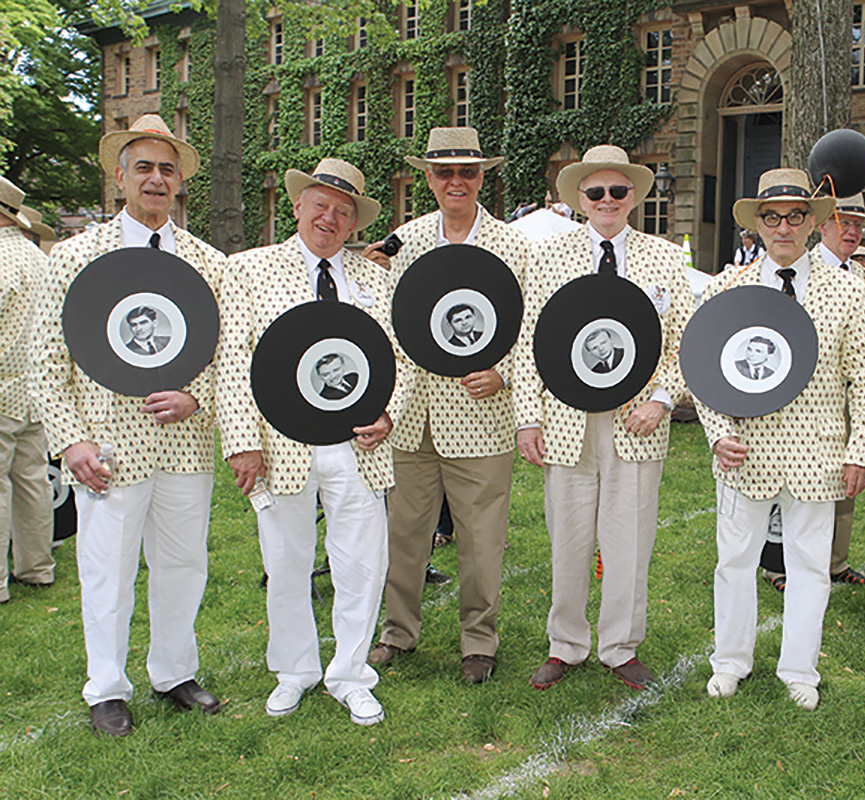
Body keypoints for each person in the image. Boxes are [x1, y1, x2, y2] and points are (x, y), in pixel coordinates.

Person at [31, 114, 225, 736]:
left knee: (183, 564)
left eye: (167, 169)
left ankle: (174, 671)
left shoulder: (207, 263)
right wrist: (70, 440)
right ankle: (107, 686)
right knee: (107, 568)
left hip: (185, 445)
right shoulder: (75, 257)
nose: (156, 179)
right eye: (143, 167)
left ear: (179, 182)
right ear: (119, 176)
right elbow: (45, 359)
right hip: (106, 446)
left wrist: (198, 398)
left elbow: (230, 352)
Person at [217, 158, 399, 725]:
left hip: (359, 447)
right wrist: (243, 443)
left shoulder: (375, 279)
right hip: (280, 445)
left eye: (343, 211)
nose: (330, 217)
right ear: (296, 207)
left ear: (353, 223)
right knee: (287, 563)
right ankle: (294, 670)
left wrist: (389, 413)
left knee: (362, 565)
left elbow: (402, 362)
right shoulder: (248, 270)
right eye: (320, 205)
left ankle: (350, 675)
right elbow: (232, 362)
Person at [697, 167, 865, 708]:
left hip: (818, 451)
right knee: (734, 562)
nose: (784, 227)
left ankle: (800, 669)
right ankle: (730, 661)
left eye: (796, 216)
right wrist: (716, 435)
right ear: (756, 224)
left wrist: (860, 450)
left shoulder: (846, 290)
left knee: (808, 565)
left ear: (813, 224)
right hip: (743, 451)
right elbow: (705, 372)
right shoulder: (727, 288)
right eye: (773, 217)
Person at [514, 144, 693, 691]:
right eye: (597, 192)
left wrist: (662, 399)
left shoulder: (663, 258)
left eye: (618, 191)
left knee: (629, 540)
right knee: (567, 539)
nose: (608, 200)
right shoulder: (549, 257)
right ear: (581, 198)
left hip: (636, 421)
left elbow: (685, 341)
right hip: (564, 422)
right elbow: (528, 345)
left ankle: (621, 645)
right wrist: (527, 418)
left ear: (634, 195)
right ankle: (565, 644)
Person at [365, 128, 528, 685]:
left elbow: (529, 332)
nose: (456, 182)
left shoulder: (513, 245)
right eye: (444, 172)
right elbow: (383, 333)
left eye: (467, 172)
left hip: (481, 418)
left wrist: (503, 373)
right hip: (410, 417)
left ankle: (479, 642)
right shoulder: (401, 243)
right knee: (403, 535)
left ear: (483, 177)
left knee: (483, 540)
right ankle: (397, 632)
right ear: (427, 178)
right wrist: (382, 404)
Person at [813, 192, 865, 585]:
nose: (851, 231)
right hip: (814, 398)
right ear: (823, 226)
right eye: (844, 223)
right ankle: (778, 562)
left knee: (847, 480)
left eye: (858, 226)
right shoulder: (802, 272)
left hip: (854, 395)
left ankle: (836, 560)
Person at [0, 177, 54, 606]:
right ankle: (37, 567)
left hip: (3, 386)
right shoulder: (38, 257)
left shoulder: (2, 258)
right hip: (35, 389)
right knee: (32, 479)